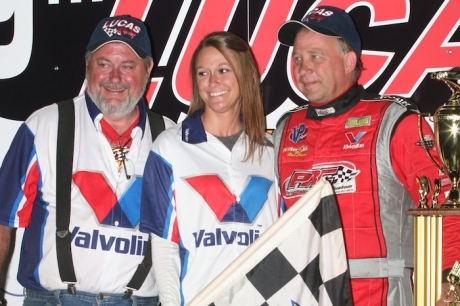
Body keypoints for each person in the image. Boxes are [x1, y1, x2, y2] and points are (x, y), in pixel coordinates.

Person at [274, 5, 460, 306]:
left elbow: (446, 204)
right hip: (301, 295)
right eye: (297, 57)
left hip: (377, 295)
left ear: (349, 61)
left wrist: (449, 282)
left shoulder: (394, 120)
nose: (302, 67)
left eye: (315, 56)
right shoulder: (286, 130)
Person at [0, 15, 174, 305]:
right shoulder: (44, 125)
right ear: (87, 66)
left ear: (148, 69)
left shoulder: (172, 138)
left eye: (127, 66)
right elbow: (3, 218)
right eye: (104, 64)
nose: (114, 78)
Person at [139, 31, 279, 305]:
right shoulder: (169, 146)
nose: (212, 82)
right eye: (203, 73)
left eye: (223, 70)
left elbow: (287, 238)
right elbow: (164, 247)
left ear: (246, 75)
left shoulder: (271, 149)